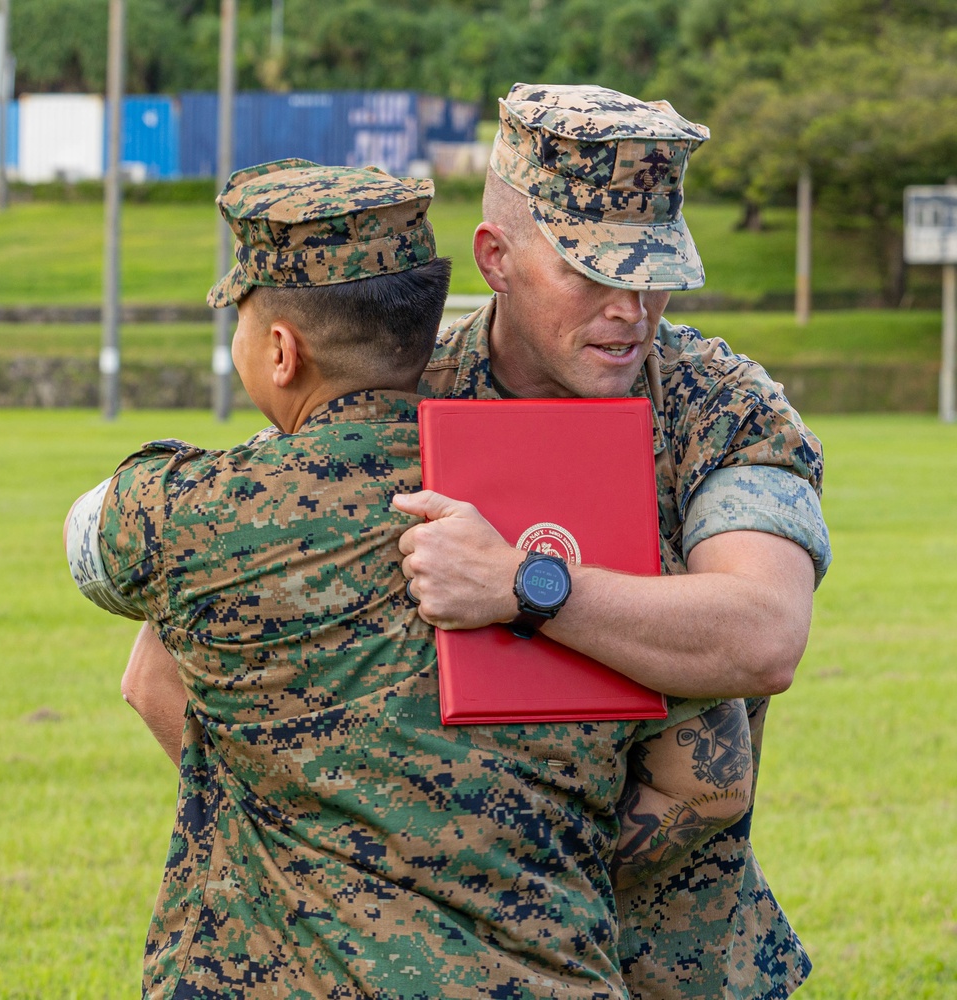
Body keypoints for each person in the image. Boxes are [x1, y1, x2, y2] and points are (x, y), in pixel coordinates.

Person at [65, 157, 756, 999]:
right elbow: (709, 780)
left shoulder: (193, 515)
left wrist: (313, 830)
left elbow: (105, 582)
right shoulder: (570, 524)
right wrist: (518, 867)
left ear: (280, 350)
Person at [393, 83, 833, 1000]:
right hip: (439, 958)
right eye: (592, 270)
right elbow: (184, 661)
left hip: (675, 966)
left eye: (653, 268)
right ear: (496, 257)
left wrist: (522, 585)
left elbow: (762, 633)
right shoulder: (394, 399)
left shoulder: (720, 405)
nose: (632, 307)